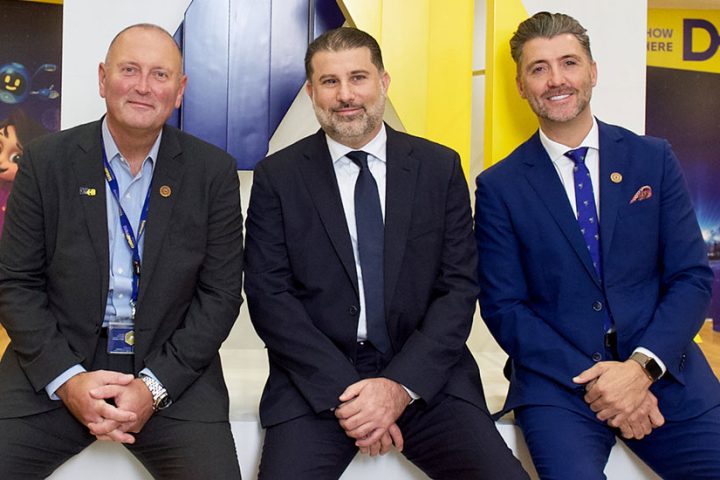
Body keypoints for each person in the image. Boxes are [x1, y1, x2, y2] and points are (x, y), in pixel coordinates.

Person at [244, 26, 528, 479]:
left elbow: (458, 288)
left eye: (358, 77)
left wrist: (398, 388)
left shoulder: (439, 168)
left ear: (383, 82)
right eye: (329, 82)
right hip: (316, 383)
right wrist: (355, 398)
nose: (345, 95)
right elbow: (269, 297)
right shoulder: (277, 177)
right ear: (312, 92)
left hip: (426, 377)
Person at [474, 11, 720, 479]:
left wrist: (639, 370)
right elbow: (506, 308)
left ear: (592, 71)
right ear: (521, 85)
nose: (556, 79)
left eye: (569, 63)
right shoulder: (499, 187)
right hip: (560, 386)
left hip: (665, 369)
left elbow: (690, 277)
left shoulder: (654, 159)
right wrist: (603, 383)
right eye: (538, 68)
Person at [0, 24, 244, 479]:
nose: (143, 87)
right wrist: (68, 380)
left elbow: (221, 295)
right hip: (54, 366)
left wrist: (153, 388)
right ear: (102, 78)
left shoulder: (213, 173)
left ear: (180, 90)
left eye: (160, 75)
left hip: (172, 372)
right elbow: (15, 284)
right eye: (129, 70)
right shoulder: (44, 163)